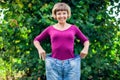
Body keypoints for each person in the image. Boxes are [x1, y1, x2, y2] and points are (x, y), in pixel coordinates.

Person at [33, 2, 89, 80]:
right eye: (59, 14)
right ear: (55, 15)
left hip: (72, 65)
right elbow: (36, 40)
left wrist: (85, 49)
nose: (61, 16)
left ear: (68, 14)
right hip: (53, 65)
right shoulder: (50, 29)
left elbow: (86, 40)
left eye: (64, 13)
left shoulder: (74, 28)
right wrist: (40, 49)